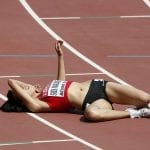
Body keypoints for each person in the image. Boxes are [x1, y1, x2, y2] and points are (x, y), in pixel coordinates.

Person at [1, 40, 150, 122]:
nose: (27, 86)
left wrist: (60, 56)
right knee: (91, 115)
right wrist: (30, 90)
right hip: (91, 103)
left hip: (99, 86)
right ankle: (133, 113)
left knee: (145, 98)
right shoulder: (37, 105)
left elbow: (61, 82)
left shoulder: (46, 92)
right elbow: (11, 81)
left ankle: (140, 107)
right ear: (22, 99)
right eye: (24, 89)